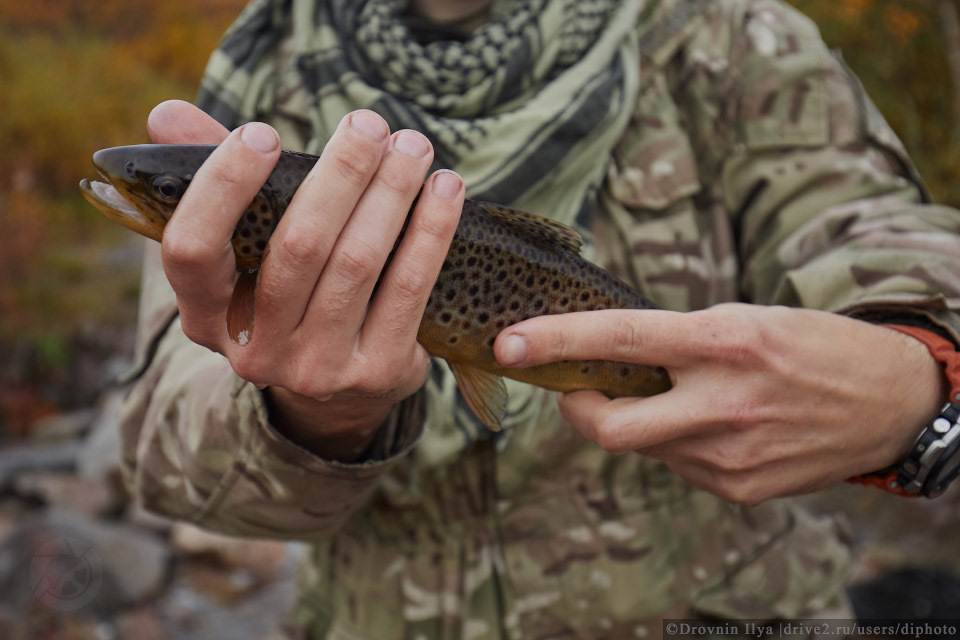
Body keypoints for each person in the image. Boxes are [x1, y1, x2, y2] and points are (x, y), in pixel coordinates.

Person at [118, 0, 960, 637]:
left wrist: (917, 373)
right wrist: (314, 416)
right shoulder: (264, 64)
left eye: (162, 190)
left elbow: (878, 229)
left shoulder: (725, 34)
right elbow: (162, 462)